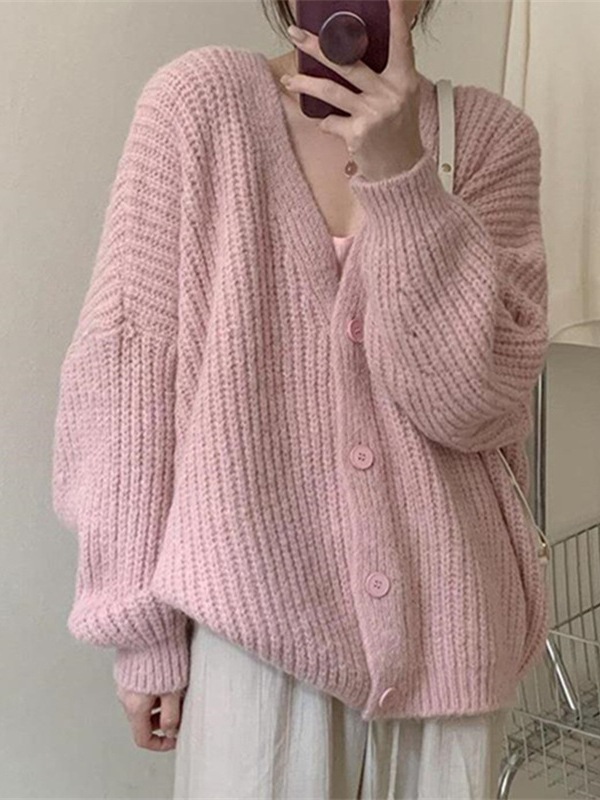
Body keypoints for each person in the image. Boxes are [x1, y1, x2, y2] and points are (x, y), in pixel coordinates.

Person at [51, 0, 550, 796]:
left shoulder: (491, 138)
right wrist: (139, 627)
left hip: (452, 635)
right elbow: (129, 376)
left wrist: (403, 176)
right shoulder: (201, 105)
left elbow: (473, 404)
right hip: (256, 622)